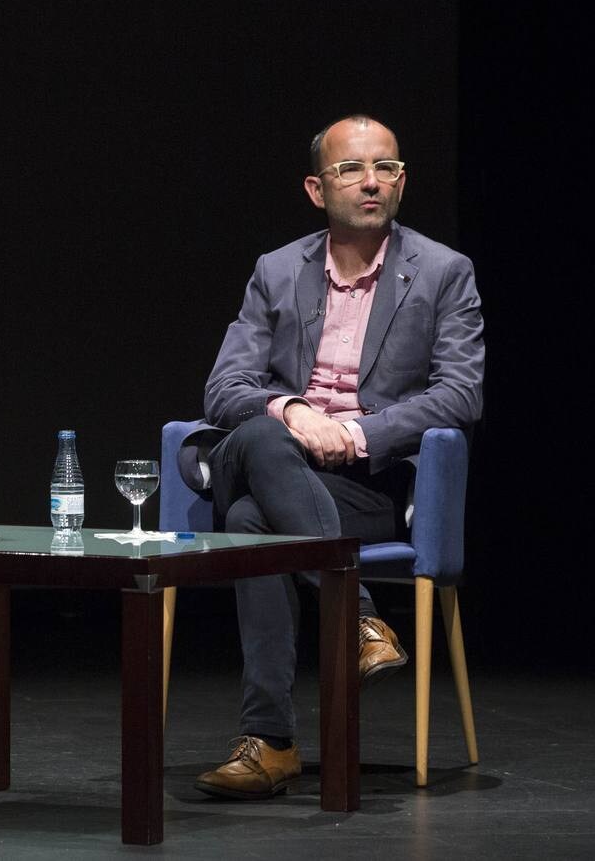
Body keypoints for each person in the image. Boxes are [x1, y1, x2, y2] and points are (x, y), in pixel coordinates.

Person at [188, 115, 484, 799]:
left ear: (402, 180)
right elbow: (225, 388)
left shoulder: (443, 274)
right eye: (351, 169)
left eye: (386, 167)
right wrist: (294, 412)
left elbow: (460, 394)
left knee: (255, 525)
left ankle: (272, 744)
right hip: (261, 450)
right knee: (264, 437)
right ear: (318, 189)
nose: (371, 181)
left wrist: (354, 435)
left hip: (358, 482)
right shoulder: (277, 271)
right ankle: (360, 621)